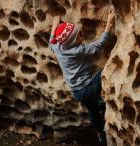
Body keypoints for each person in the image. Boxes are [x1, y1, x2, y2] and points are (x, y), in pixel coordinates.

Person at [48, 10, 115, 145]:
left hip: (77, 92)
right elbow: (98, 45)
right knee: (107, 71)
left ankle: (101, 135)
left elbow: (51, 42)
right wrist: (109, 24)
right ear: (72, 42)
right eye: (78, 36)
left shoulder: (58, 48)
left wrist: (55, 26)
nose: (82, 36)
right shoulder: (77, 51)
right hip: (87, 88)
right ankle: (100, 100)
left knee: (93, 110)